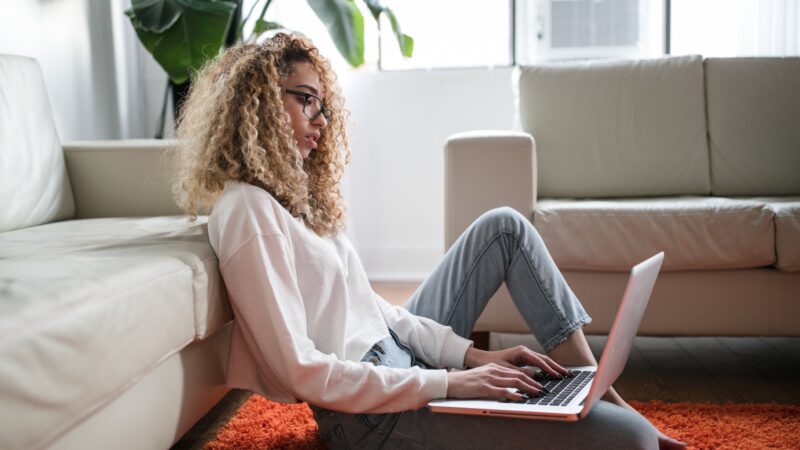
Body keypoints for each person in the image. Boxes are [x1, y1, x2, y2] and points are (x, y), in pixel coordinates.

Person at [170, 33, 685, 450]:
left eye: (323, 106)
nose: (322, 122)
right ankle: (613, 413)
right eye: (306, 101)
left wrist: (468, 358)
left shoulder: (296, 199)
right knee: (633, 442)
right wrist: (448, 383)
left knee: (504, 226)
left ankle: (597, 392)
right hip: (366, 418)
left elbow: (374, 311)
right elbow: (298, 369)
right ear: (257, 104)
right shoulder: (247, 210)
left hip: (399, 363)